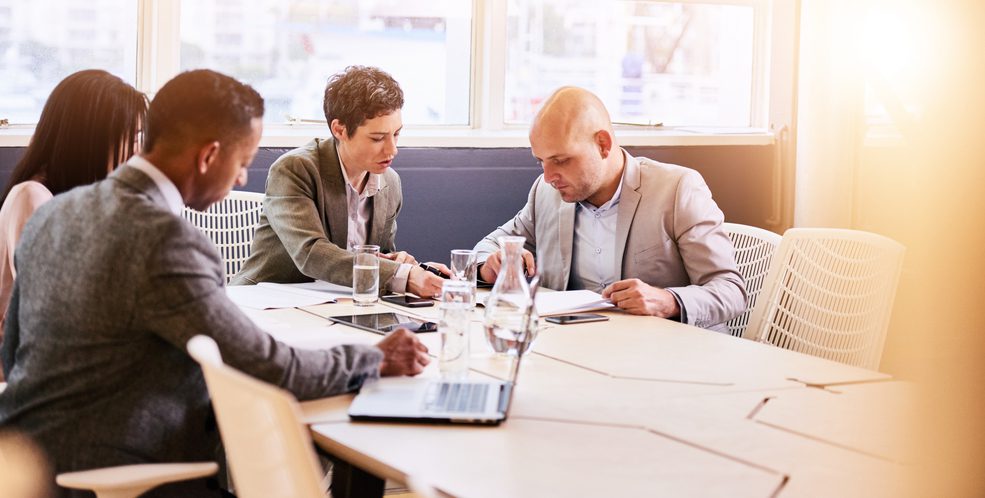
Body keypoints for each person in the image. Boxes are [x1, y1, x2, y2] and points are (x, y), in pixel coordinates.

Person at [0, 69, 430, 497]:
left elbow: (13, 348)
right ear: (208, 156)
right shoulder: (167, 240)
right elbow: (268, 366)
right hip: (116, 472)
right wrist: (371, 359)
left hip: (22, 457)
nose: (242, 179)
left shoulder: (56, 211)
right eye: (242, 163)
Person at [474, 87, 746, 333]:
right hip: (579, 353)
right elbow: (487, 247)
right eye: (541, 162)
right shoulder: (546, 194)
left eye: (560, 160)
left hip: (668, 357)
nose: (548, 176)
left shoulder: (677, 189)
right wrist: (489, 265)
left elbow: (730, 291)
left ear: (602, 144)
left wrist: (668, 301)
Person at [233, 65, 446, 297]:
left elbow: (378, 256)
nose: (392, 149)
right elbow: (311, 253)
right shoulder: (295, 169)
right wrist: (400, 275)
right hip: (266, 299)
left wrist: (400, 264)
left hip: (338, 303)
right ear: (339, 129)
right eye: (377, 138)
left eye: (396, 134)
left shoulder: (390, 182)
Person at [0, 69, 147, 358]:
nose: (138, 153)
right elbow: (58, 308)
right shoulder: (33, 197)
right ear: (90, 138)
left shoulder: (80, 200)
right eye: (130, 140)